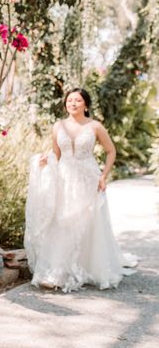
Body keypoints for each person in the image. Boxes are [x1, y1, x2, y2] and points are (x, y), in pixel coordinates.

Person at [25, 88, 137, 292]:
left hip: (88, 178)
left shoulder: (95, 126)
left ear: (85, 104)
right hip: (64, 179)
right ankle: (57, 271)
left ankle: (88, 267)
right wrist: (46, 159)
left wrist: (104, 176)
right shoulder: (58, 126)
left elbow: (111, 151)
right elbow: (57, 154)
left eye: (77, 100)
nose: (73, 103)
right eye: (69, 100)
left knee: (87, 223)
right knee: (62, 220)